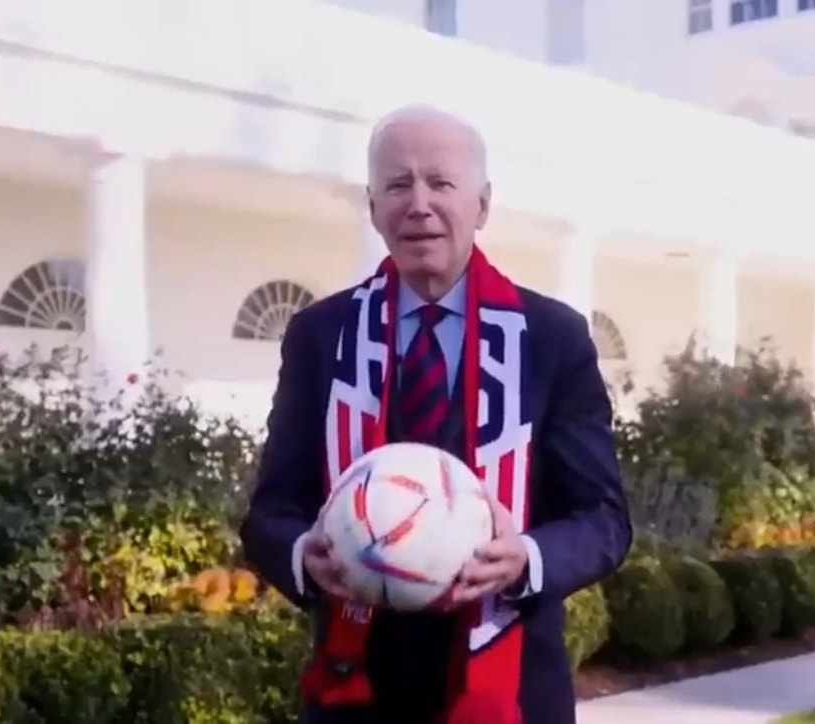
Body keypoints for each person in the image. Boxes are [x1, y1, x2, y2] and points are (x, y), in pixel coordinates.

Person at [239, 104, 632, 724]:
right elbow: (271, 510)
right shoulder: (322, 335)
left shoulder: (551, 338)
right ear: (373, 208)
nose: (418, 203)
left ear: (482, 205)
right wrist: (302, 556)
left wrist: (525, 557)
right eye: (398, 185)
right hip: (357, 694)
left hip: (511, 692)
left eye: (440, 183)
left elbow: (604, 519)